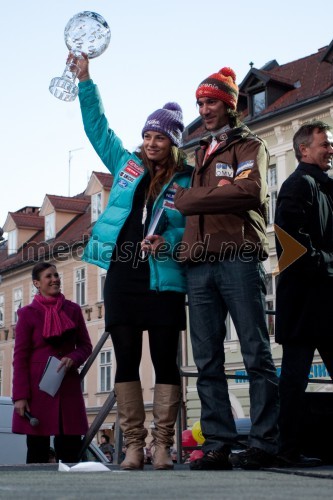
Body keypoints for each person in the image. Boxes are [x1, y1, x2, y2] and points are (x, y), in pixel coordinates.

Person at [72, 54, 192, 471]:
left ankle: (163, 445)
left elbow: (192, 230)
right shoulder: (126, 166)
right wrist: (86, 82)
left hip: (164, 277)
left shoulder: (187, 179)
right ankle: (133, 446)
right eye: (147, 135)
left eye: (159, 136)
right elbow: (97, 129)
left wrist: (169, 242)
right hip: (123, 275)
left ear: (173, 141)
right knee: (124, 357)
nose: (151, 142)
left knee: (163, 358)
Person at [174, 67, 280, 470]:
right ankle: (217, 442)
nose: (205, 110)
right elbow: (225, 195)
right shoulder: (200, 151)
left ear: (230, 105)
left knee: (256, 352)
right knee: (206, 359)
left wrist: (191, 199)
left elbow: (249, 190)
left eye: (212, 102)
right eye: (200, 103)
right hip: (199, 265)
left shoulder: (250, 145)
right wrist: (212, 195)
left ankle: (264, 442)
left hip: (238, 255)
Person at [274, 120, 333, 467]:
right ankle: (287, 448)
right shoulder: (296, 186)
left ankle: (288, 448)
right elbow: (290, 246)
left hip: (319, 295)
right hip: (305, 297)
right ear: (304, 150)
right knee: (294, 378)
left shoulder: (325, 187)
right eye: (324, 144)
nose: (329, 149)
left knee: (294, 377)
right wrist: (328, 261)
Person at [12, 262, 92, 464]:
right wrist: (20, 396)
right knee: (37, 451)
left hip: (67, 386)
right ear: (37, 283)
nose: (55, 279)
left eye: (56, 275)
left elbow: (85, 346)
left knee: (70, 448)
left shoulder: (72, 310)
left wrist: (73, 358)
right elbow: (20, 357)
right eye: (49, 276)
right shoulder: (27, 314)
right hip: (38, 389)